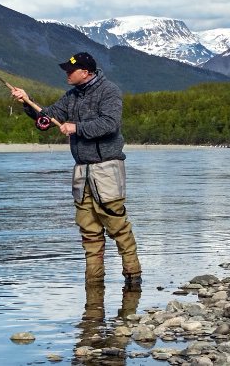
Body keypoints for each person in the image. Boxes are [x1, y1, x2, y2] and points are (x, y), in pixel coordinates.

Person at [10, 52, 142, 288]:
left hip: (107, 169)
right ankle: (94, 285)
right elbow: (47, 118)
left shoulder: (109, 91)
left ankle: (133, 280)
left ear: (86, 72)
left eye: (70, 71)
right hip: (82, 173)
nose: (66, 74)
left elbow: (110, 124)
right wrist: (27, 102)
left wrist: (76, 128)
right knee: (89, 232)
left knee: (118, 227)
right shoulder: (72, 96)